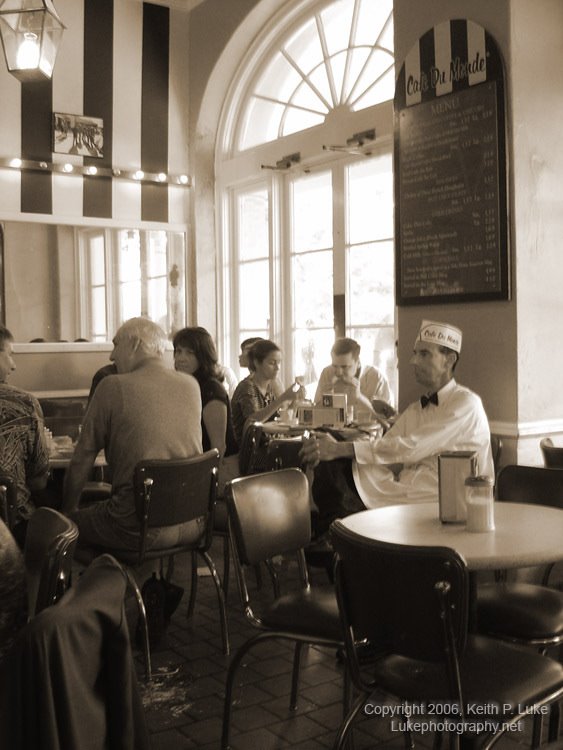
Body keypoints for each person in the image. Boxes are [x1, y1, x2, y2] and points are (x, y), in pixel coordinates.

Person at [301, 320, 494, 537]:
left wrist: (339, 449)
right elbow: (386, 444)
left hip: (440, 499)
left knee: (336, 466)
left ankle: (327, 533)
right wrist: (329, 446)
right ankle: (328, 531)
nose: (413, 361)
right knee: (328, 450)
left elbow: (411, 447)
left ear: (449, 360)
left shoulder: (466, 403)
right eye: (415, 353)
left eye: (424, 354)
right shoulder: (415, 410)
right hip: (403, 489)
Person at [62, 317, 203, 551]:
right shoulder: (191, 385)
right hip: (194, 522)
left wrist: (66, 512)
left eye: (116, 345)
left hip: (139, 528)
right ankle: (133, 580)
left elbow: (82, 459)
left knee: (60, 529)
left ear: (136, 345)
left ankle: (109, 581)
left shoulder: (112, 386)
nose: (111, 356)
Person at [0, 326, 49, 546]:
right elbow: (38, 482)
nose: (14, 365)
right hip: (12, 528)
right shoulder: (23, 403)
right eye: (9, 354)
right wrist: (45, 449)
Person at [173, 327, 238, 487]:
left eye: (189, 353)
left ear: (203, 357)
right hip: (197, 465)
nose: (181, 358)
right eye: (178, 351)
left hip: (222, 471)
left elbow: (218, 448)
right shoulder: (184, 386)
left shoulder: (211, 389)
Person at [231, 339, 302, 445]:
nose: (277, 368)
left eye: (279, 363)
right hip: (250, 451)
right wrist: (283, 398)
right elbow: (253, 421)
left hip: (267, 445)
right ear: (257, 363)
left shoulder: (269, 387)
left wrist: (295, 401)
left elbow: (278, 418)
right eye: (272, 363)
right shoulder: (247, 387)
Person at [314, 337, 392, 420]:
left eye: (345, 367)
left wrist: (360, 397)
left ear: (358, 362)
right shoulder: (327, 373)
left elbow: (386, 421)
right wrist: (324, 401)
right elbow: (315, 416)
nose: (339, 372)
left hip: (367, 432)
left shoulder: (377, 378)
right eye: (335, 366)